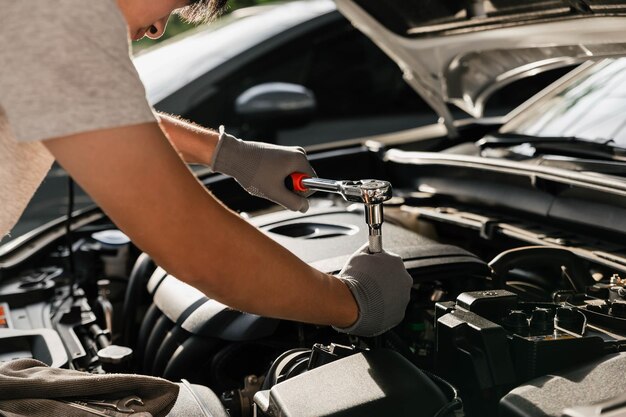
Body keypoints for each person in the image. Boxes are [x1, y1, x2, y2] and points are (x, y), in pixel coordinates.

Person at [0, 0, 412, 337]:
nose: (159, 29)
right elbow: (193, 241)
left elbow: (95, 115)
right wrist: (351, 300)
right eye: (175, 5)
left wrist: (228, 155)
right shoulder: (64, 19)